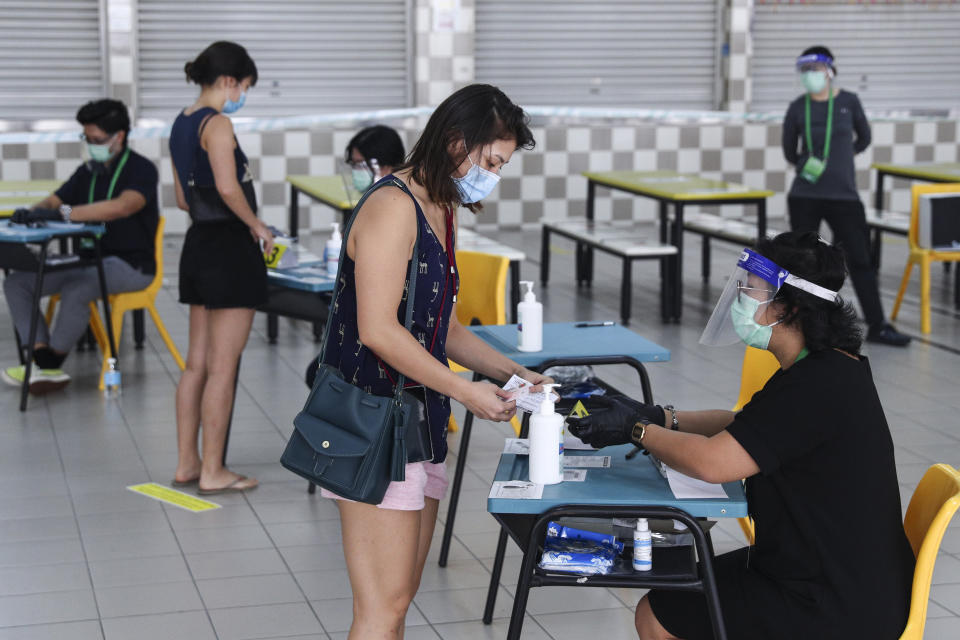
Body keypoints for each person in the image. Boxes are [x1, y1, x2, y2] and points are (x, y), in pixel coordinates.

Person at [568, 232, 914, 640]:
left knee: (658, 615)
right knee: (670, 595)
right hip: (821, 570)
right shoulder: (825, 368)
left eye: (752, 288)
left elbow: (713, 463)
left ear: (789, 307)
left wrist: (636, 429)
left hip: (833, 601)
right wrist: (659, 416)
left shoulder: (819, 384)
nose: (741, 296)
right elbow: (743, 424)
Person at [322, 83, 551, 638]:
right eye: (492, 161)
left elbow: (440, 326)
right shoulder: (391, 207)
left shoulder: (441, 208)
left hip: (416, 418)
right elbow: (379, 330)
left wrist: (513, 374)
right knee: (380, 609)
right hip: (372, 420)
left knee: (399, 599)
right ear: (456, 143)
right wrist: (464, 391)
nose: (493, 176)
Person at [169, 41, 273, 495]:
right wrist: (258, 227)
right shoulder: (218, 123)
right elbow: (230, 189)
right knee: (223, 369)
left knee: (196, 365)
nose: (242, 95)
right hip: (230, 250)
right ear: (230, 81)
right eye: (245, 86)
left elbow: (180, 199)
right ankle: (214, 470)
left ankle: (188, 464)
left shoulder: (181, 122)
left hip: (197, 245)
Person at [1, 99, 158, 393]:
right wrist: (34, 211)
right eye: (86, 138)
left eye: (96, 139)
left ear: (119, 136)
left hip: (131, 266)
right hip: (86, 260)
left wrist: (64, 213)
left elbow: (122, 207)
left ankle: (49, 365)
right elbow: (55, 200)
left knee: (79, 287)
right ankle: (40, 357)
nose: (90, 144)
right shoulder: (88, 171)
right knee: (17, 283)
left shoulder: (141, 170)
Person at [782, 45, 910, 346]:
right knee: (802, 262)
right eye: (805, 71)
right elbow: (789, 150)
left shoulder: (849, 102)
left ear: (829, 71)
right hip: (805, 194)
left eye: (815, 70)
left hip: (844, 196)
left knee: (861, 260)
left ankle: (877, 325)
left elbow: (864, 137)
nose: (810, 76)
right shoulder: (798, 107)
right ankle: (803, 323)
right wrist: (807, 164)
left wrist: (842, 156)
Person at [345, 124, 406, 192]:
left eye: (361, 164)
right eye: (354, 163)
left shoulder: (402, 199)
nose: (355, 171)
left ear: (387, 166)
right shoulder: (373, 197)